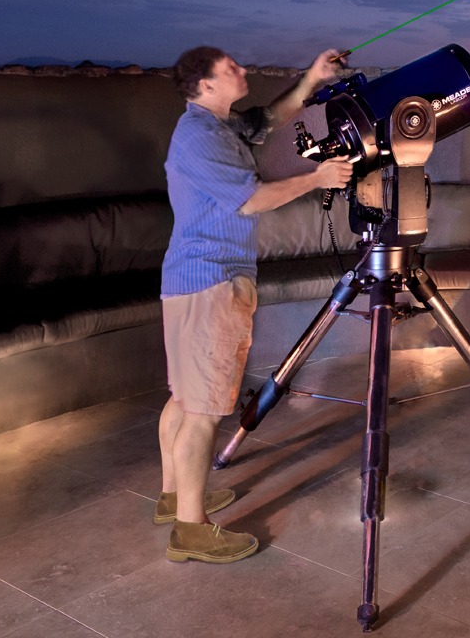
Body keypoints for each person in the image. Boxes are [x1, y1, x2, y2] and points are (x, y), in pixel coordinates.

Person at [157, 44, 352, 564]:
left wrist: (312, 77)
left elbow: (269, 117)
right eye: (230, 69)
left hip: (193, 280)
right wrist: (318, 178)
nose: (242, 70)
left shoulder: (218, 125)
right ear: (205, 84)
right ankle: (190, 530)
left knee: (184, 399)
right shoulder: (201, 138)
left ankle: (174, 497)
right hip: (213, 282)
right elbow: (251, 199)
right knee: (202, 412)